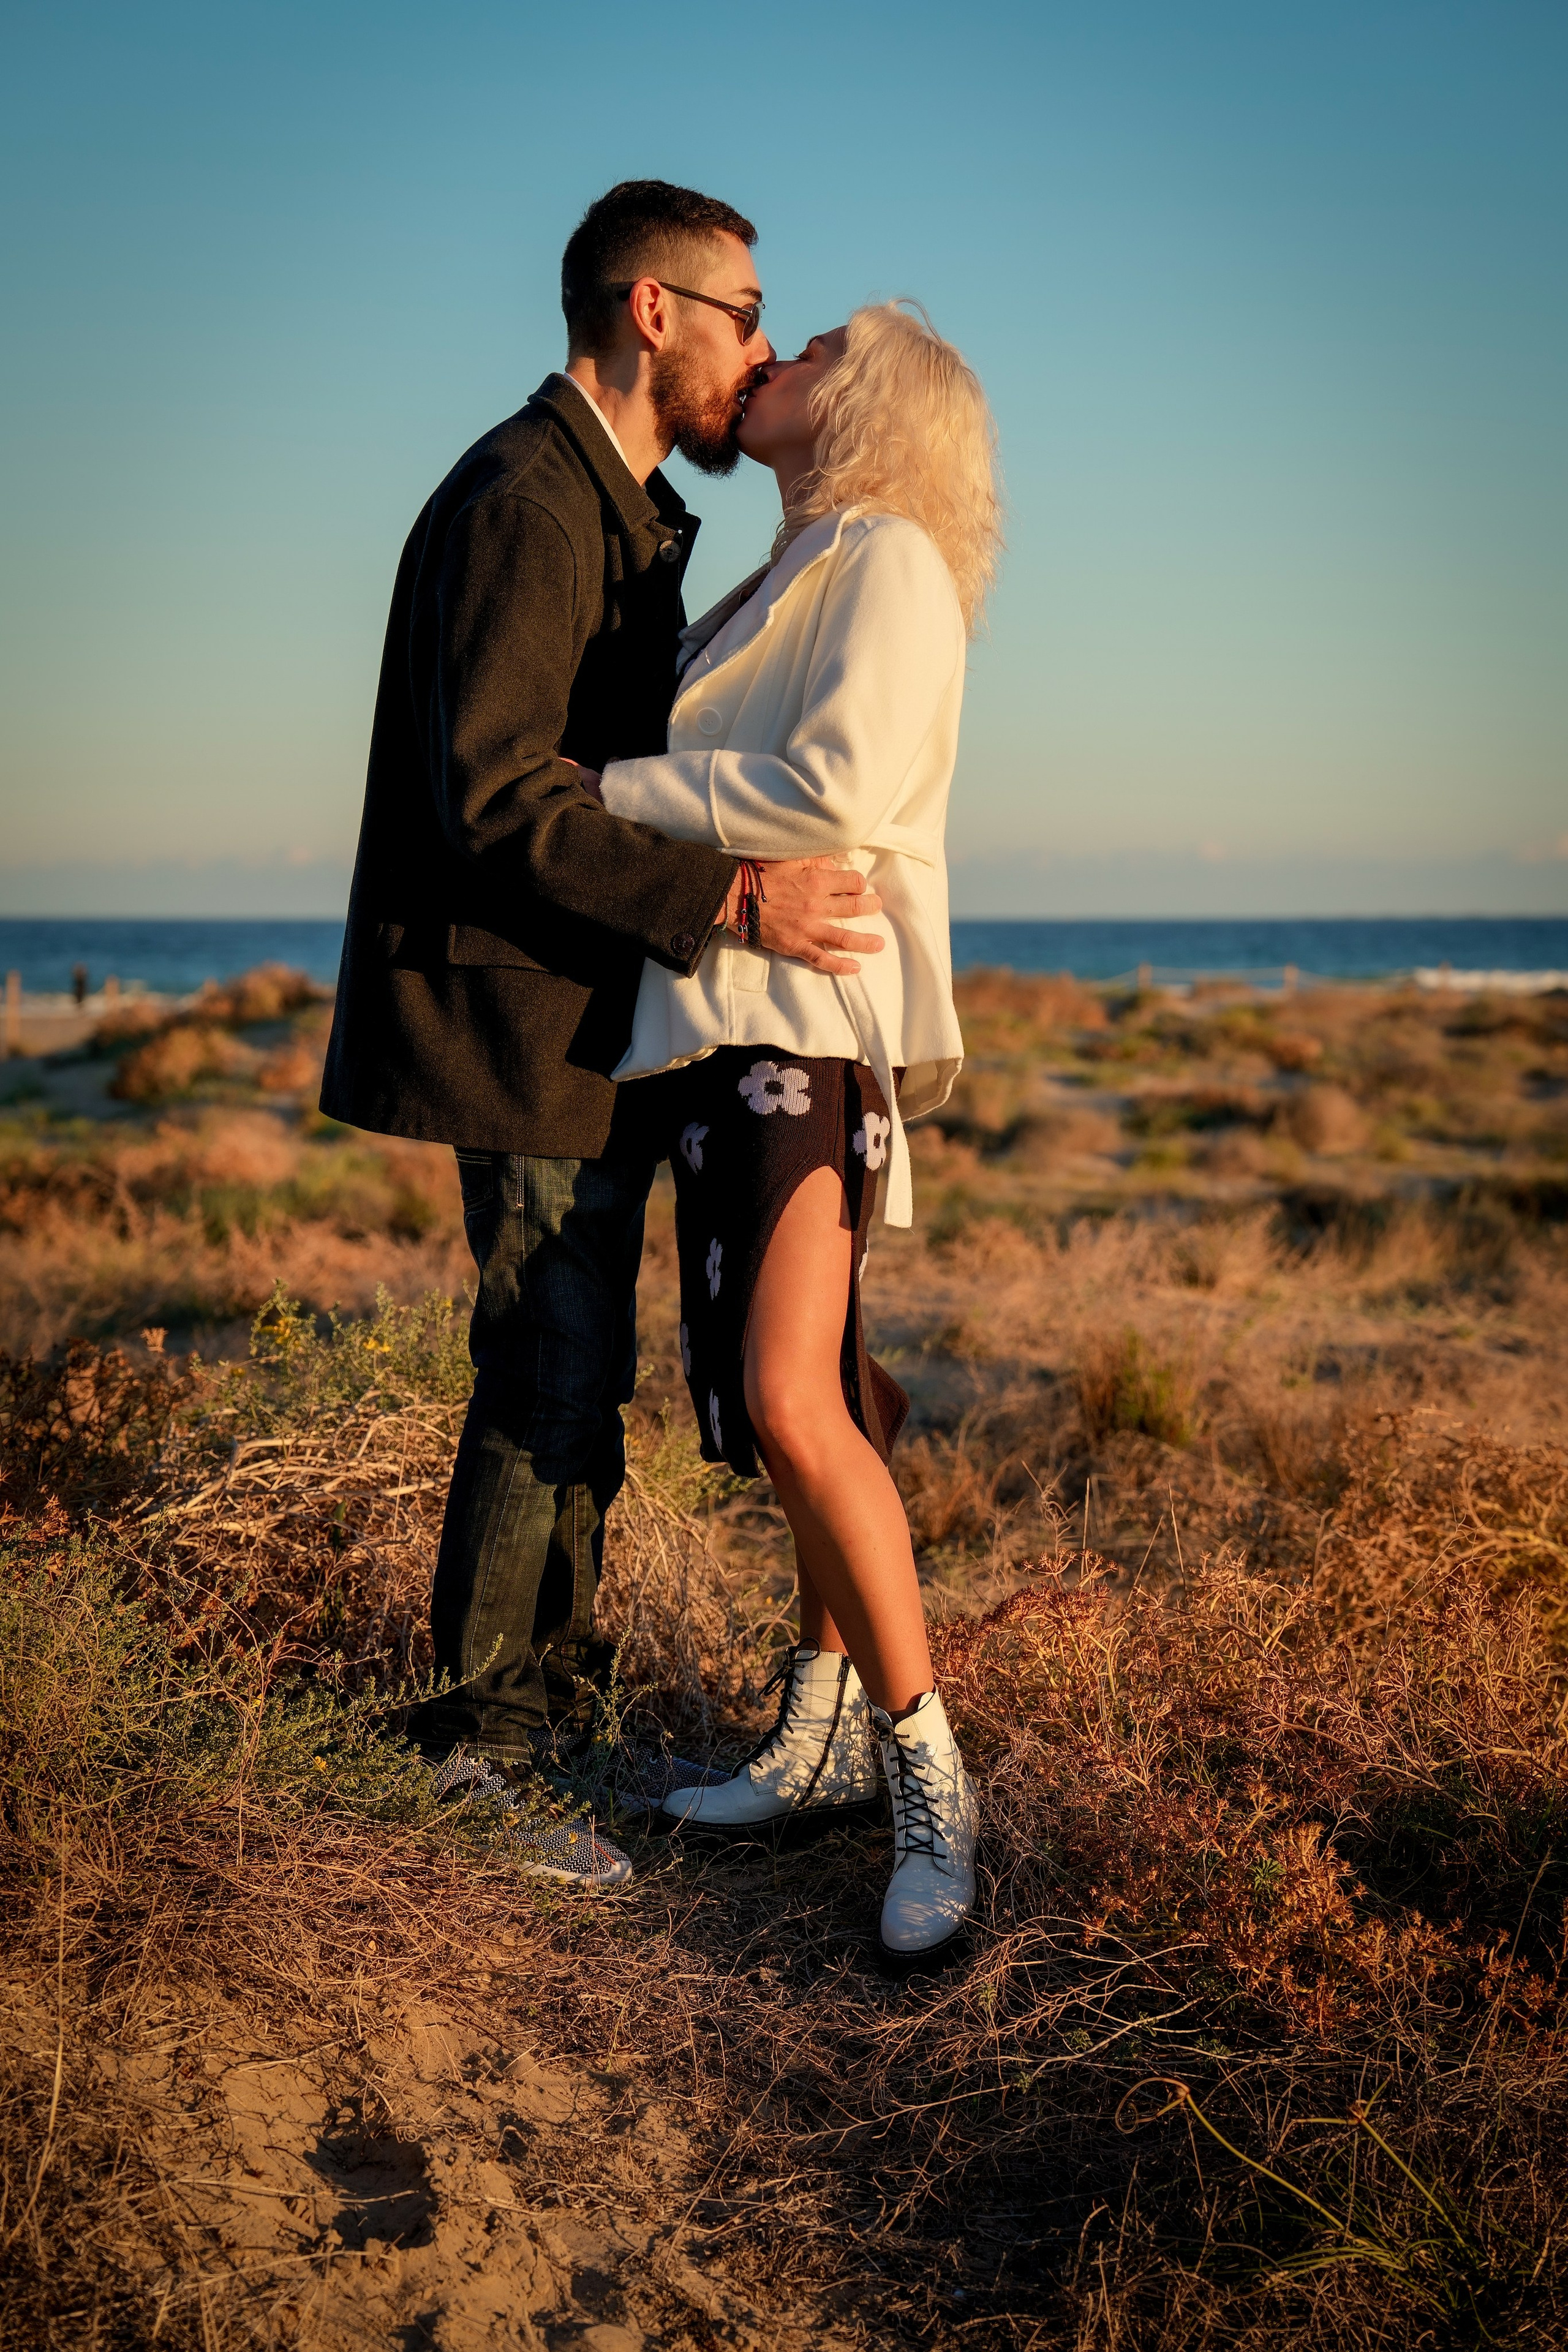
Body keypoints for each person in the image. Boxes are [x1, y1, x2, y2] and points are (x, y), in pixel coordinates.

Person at [320, 183, 888, 1888]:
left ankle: (537, 1729)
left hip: (583, 1016)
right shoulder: (527, 499)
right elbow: (497, 797)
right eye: (748, 316)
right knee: (546, 1375)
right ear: (656, 314)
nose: (764, 353)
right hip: (520, 1021)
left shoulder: (611, 505)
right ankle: (483, 1759)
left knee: (578, 1378)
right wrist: (732, 902)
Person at [582, 302, 1002, 1957]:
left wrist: (603, 790)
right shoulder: (785, 574)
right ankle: (825, 1724)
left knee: (782, 1400)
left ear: (880, 399)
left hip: (803, 1033)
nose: (779, 358)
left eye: (818, 342)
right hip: (713, 1025)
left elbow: (830, 790)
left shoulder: (888, 556)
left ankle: (929, 1782)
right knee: (828, 1395)